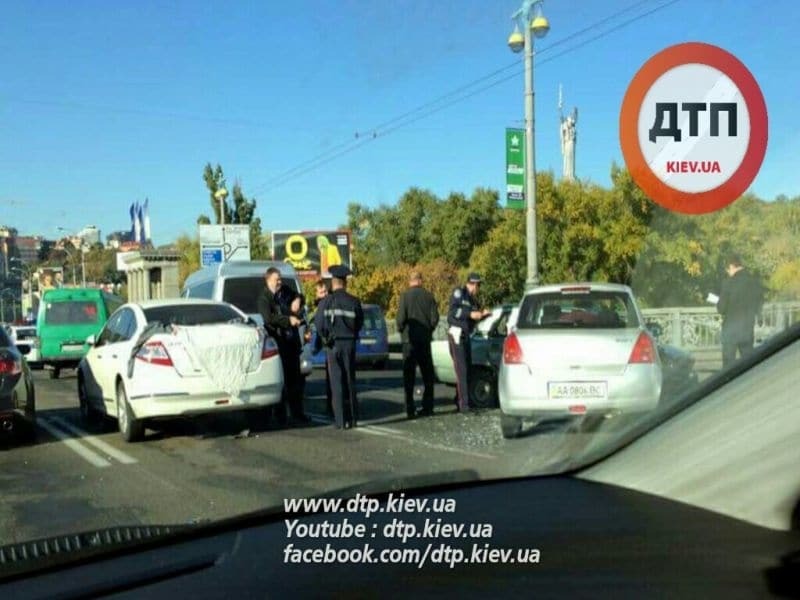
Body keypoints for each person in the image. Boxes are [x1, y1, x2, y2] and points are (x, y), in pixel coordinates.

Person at [257, 267, 308, 425]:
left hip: (292, 342)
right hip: (278, 344)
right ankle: (280, 416)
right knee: (281, 381)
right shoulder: (264, 299)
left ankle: (297, 413)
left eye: (280, 279)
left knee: (296, 381)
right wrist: (288, 320)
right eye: (276, 279)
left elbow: (300, 296)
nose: (280, 281)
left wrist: (298, 299)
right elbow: (269, 318)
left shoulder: (285, 291)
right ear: (268, 280)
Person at [315, 265, 363, 430]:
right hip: (349, 344)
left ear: (333, 283)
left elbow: (319, 324)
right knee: (350, 380)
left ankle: (341, 421)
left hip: (333, 345)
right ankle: (354, 418)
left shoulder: (326, 302)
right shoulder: (354, 301)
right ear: (345, 283)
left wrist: (325, 338)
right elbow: (359, 323)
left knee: (336, 383)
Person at [396, 271, 439, 419]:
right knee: (428, 376)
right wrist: (428, 330)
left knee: (409, 377)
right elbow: (435, 319)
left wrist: (402, 331)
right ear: (421, 281)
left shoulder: (405, 296)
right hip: (425, 341)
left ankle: (410, 408)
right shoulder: (429, 296)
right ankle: (428, 406)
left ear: (410, 281)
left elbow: (400, 319)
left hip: (409, 341)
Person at [446, 273, 491, 412]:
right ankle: (464, 405)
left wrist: (482, 315)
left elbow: (474, 319)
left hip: (466, 335)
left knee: (467, 368)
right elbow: (452, 313)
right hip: (456, 334)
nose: (478, 288)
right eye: (478, 285)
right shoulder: (459, 293)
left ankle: (461, 400)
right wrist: (470, 314)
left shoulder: (473, 300)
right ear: (474, 284)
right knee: (462, 370)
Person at [717, 253, 764, 368]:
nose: (728, 273)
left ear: (732, 266)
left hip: (730, 330)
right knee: (748, 365)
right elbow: (759, 303)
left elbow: (721, 309)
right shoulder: (754, 282)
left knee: (728, 367)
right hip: (747, 329)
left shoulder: (728, 283)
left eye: (728, 270)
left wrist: (718, 302)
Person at [311, 279, 333, 416]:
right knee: (330, 377)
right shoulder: (318, 305)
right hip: (325, 343)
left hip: (329, 342)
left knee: (332, 377)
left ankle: (332, 405)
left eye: (325, 291)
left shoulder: (329, 303)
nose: (323, 294)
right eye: (321, 292)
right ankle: (331, 405)